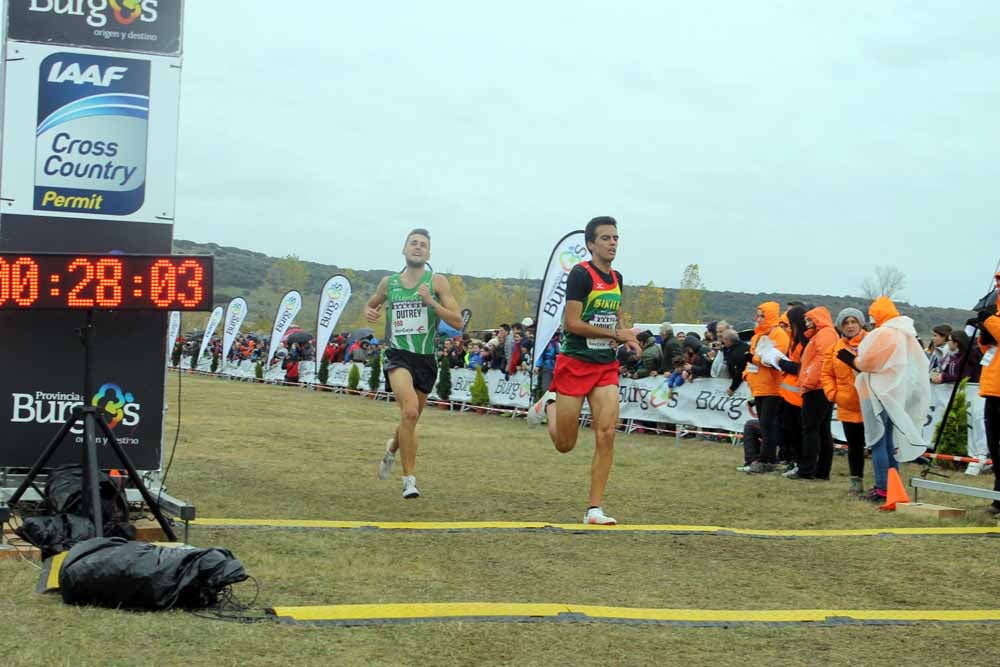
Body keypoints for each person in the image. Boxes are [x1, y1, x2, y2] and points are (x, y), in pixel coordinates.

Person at [526, 216, 640, 525]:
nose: (613, 243)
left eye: (616, 237)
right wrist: (614, 335)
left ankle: (594, 509)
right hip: (575, 362)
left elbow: (614, 315)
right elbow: (572, 323)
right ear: (591, 244)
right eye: (606, 238)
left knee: (606, 434)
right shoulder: (580, 274)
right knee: (566, 444)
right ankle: (548, 404)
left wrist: (627, 336)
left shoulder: (616, 276)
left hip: (605, 366)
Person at [367, 229, 464, 499]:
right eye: (413, 243)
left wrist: (431, 302)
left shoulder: (438, 282)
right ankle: (409, 480)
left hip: (426, 360)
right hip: (398, 356)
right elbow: (372, 304)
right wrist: (370, 311)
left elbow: (457, 321)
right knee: (409, 412)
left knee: (410, 418)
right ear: (404, 249)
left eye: (423, 245)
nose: (418, 248)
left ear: (429, 253)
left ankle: (391, 449)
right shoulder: (389, 283)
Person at [837, 296, 930, 503]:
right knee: (888, 443)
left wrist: (850, 359)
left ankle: (882, 489)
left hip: (878, 394)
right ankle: (892, 485)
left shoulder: (884, 333)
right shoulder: (905, 334)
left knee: (878, 442)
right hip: (895, 394)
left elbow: (869, 363)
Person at [822, 307, 868, 495]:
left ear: (860, 323)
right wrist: (832, 394)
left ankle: (885, 484)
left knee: (880, 445)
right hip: (847, 404)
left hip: (871, 404)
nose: (850, 326)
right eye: (845, 323)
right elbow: (826, 373)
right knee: (854, 446)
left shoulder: (872, 342)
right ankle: (856, 482)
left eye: (853, 321)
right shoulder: (834, 348)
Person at [788, 307, 837, 481]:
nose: (806, 324)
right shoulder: (822, 334)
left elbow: (822, 360)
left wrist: (808, 381)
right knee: (821, 430)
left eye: (809, 320)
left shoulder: (825, 334)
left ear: (818, 319)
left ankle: (807, 469)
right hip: (819, 386)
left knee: (811, 429)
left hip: (816, 388)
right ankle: (821, 471)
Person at [743, 302, 790, 474]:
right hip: (758, 387)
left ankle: (767, 459)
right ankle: (764, 458)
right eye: (758, 315)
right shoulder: (757, 336)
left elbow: (772, 359)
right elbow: (751, 358)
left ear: (770, 316)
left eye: (762, 315)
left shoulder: (779, 334)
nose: (758, 318)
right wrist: (746, 374)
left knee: (768, 425)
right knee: (764, 425)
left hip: (773, 387)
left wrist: (754, 359)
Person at [976, 275, 1000, 512]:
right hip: (992, 388)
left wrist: (990, 322)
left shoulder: (996, 317)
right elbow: (992, 350)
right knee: (995, 447)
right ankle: (998, 496)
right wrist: (984, 336)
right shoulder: (996, 313)